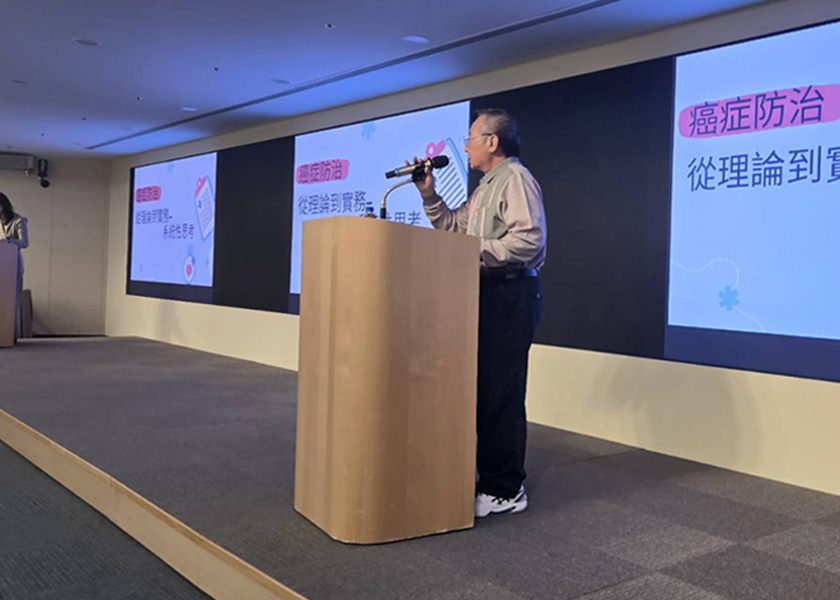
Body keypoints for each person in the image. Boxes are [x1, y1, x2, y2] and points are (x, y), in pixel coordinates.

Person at [409, 108, 546, 517]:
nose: (466, 146)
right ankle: (489, 479)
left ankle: (506, 489)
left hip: (511, 293)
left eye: (471, 138)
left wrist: (475, 252)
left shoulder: (516, 179)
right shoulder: (486, 186)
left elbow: (530, 241)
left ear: (492, 141)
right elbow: (455, 231)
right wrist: (429, 195)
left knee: (501, 392)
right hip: (486, 293)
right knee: (485, 390)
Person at [0, 192, 29, 342]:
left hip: (12, 261)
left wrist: (8, 241)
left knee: (13, 299)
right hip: (1, 262)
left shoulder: (18, 220)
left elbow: (24, 242)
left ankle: (12, 335)